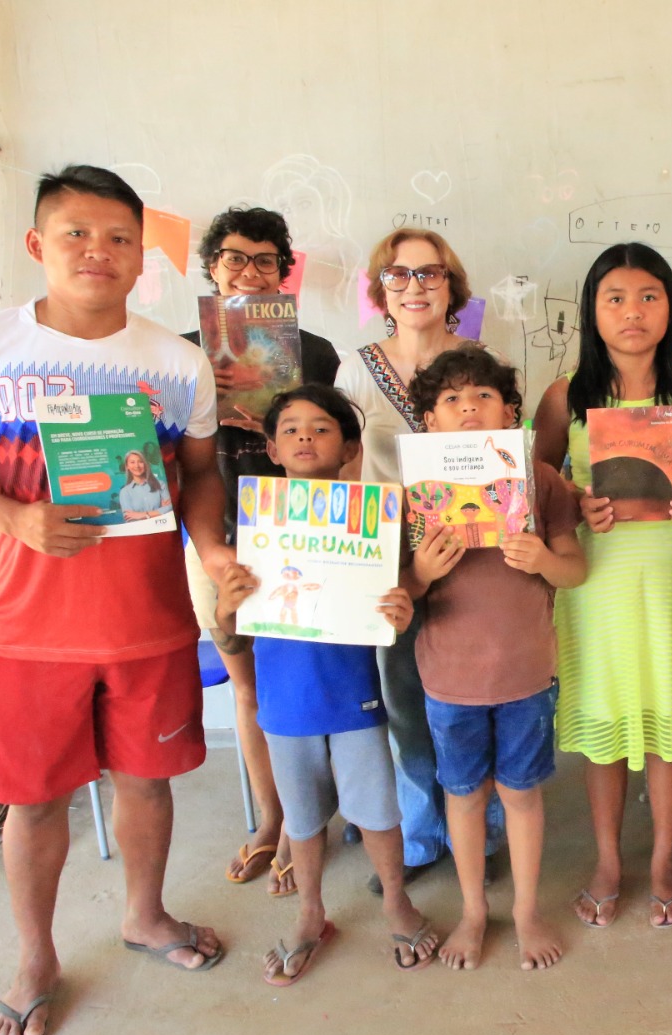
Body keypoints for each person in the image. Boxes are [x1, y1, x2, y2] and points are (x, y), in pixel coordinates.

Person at [0, 165, 229, 1035]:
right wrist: (14, 516)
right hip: (27, 632)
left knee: (148, 782)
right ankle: (36, 959)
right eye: (77, 234)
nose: (99, 252)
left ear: (141, 257)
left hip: (149, 624)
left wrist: (216, 553)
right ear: (37, 246)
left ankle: (145, 915)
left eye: (119, 238)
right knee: (34, 802)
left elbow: (199, 476)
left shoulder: (176, 362)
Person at [212, 384, 439, 984]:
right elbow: (234, 640)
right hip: (286, 702)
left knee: (377, 811)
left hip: (358, 693)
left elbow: (399, 610)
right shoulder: (255, 531)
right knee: (303, 816)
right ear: (271, 448)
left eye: (321, 427)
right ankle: (311, 913)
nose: (305, 437)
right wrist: (224, 610)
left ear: (349, 448)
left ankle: (396, 901)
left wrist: (400, 607)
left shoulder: (376, 523)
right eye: (290, 429)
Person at [533, 241, 672, 930]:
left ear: (670, 306)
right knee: (610, 731)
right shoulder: (566, 396)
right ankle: (610, 862)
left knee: (668, 733)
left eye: (648, 296)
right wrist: (574, 501)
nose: (632, 312)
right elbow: (536, 486)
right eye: (614, 298)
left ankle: (662, 862)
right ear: (593, 311)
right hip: (599, 586)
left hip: (671, 578)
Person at [403, 346, 586, 970]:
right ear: (429, 421)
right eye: (450, 400)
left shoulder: (541, 480)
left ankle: (528, 911)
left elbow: (575, 570)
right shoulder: (411, 494)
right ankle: (475, 911)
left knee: (523, 794)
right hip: (449, 679)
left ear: (510, 411)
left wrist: (545, 561)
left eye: (482, 395)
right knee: (462, 793)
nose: (467, 408)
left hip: (526, 674)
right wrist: (422, 573)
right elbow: (399, 595)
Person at [334, 227, 504, 890]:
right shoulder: (356, 368)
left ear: (451, 286)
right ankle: (422, 832)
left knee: (471, 693)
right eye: (400, 275)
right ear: (381, 288)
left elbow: (504, 452)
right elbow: (345, 466)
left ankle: (482, 832)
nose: (415, 287)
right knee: (403, 699)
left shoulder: (479, 361)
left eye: (430, 274)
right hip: (389, 556)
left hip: (471, 545)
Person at [183, 205, 342, 896]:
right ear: (211, 269)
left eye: (265, 260)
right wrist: (199, 404)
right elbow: (155, 458)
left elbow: (333, 445)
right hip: (219, 540)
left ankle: (320, 816)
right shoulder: (181, 354)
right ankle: (273, 818)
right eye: (234, 259)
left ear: (286, 271)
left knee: (316, 676)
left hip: (306, 532)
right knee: (247, 685)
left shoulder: (320, 352)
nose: (249, 271)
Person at [118, 450, 169, 519]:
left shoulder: (160, 484)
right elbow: (129, 518)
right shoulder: (124, 492)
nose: (137, 465)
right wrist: (159, 511)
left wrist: (143, 515)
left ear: (145, 464)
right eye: (132, 462)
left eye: (140, 462)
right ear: (127, 466)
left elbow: (169, 508)